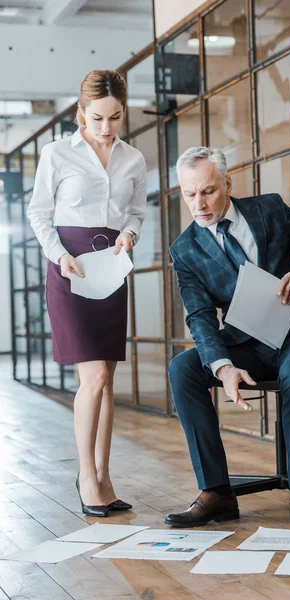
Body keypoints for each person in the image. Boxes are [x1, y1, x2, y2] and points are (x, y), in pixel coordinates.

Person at [165, 146, 290, 528]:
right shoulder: (185, 250)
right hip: (248, 342)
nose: (199, 204)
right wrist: (223, 366)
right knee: (183, 369)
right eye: (189, 194)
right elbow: (199, 316)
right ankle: (216, 492)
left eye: (208, 191)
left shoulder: (270, 209)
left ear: (227, 183)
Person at [27, 70, 146, 517]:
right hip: (70, 268)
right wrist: (59, 255)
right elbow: (39, 214)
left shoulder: (133, 159)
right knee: (93, 378)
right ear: (81, 112)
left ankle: (103, 474)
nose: (105, 128)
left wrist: (129, 235)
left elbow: (136, 213)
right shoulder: (56, 153)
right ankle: (86, 477)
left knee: (108, 381)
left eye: (115, 117)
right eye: (97, 118)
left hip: (112, 268)